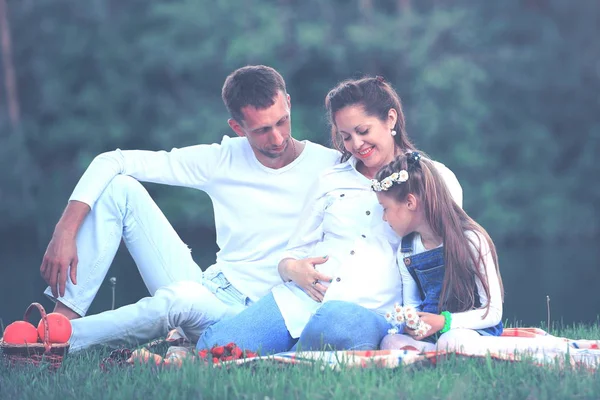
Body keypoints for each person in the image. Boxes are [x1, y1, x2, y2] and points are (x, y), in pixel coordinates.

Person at [39, 65, 341, 351]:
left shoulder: (328, 166)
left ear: (288, 103)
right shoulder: (222, 160)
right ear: (238, 127)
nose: (277, 138)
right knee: (120, 189)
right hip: (210, 286)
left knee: (178, 301)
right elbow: (112, 160)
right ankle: (63, 316)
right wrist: (65, 231)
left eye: (281, 121)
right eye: (262, 130)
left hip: (252, 316)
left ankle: (53, 342)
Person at [196, 76, 463, 354]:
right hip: (300, 302)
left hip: (371, 312)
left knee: (337, 325)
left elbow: (448, 260)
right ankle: (286, 350)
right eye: (346, 136)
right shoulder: (330, 179)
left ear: (391, 119)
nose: (356, 144)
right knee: (215, 346)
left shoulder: (435, 178)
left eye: (363, 130)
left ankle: (288, 355)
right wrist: (292, 269)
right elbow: (291, 254)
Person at [375, 152, 503, 351]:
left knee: (452, 340)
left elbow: (492, 311)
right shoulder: (407, 250)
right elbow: (412, 306)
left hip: (471, 329)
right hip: (432, 334)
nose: (384, 218)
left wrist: (444, 322)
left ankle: (436, 353)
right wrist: (412, 323)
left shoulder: (471, 239)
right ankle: (437, 355)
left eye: (385, 208)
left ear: (410, 203)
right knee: (390, 342)